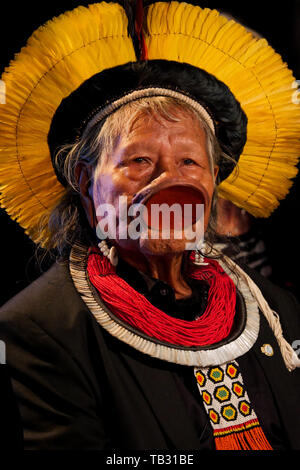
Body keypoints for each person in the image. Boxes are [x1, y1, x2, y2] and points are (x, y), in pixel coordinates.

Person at [0, 1, 300, 451]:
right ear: (85, 182)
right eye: (140, 161)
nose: (171, 180)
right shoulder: (40, 328)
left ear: (214, 179)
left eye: (189, 161)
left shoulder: (275, 309)